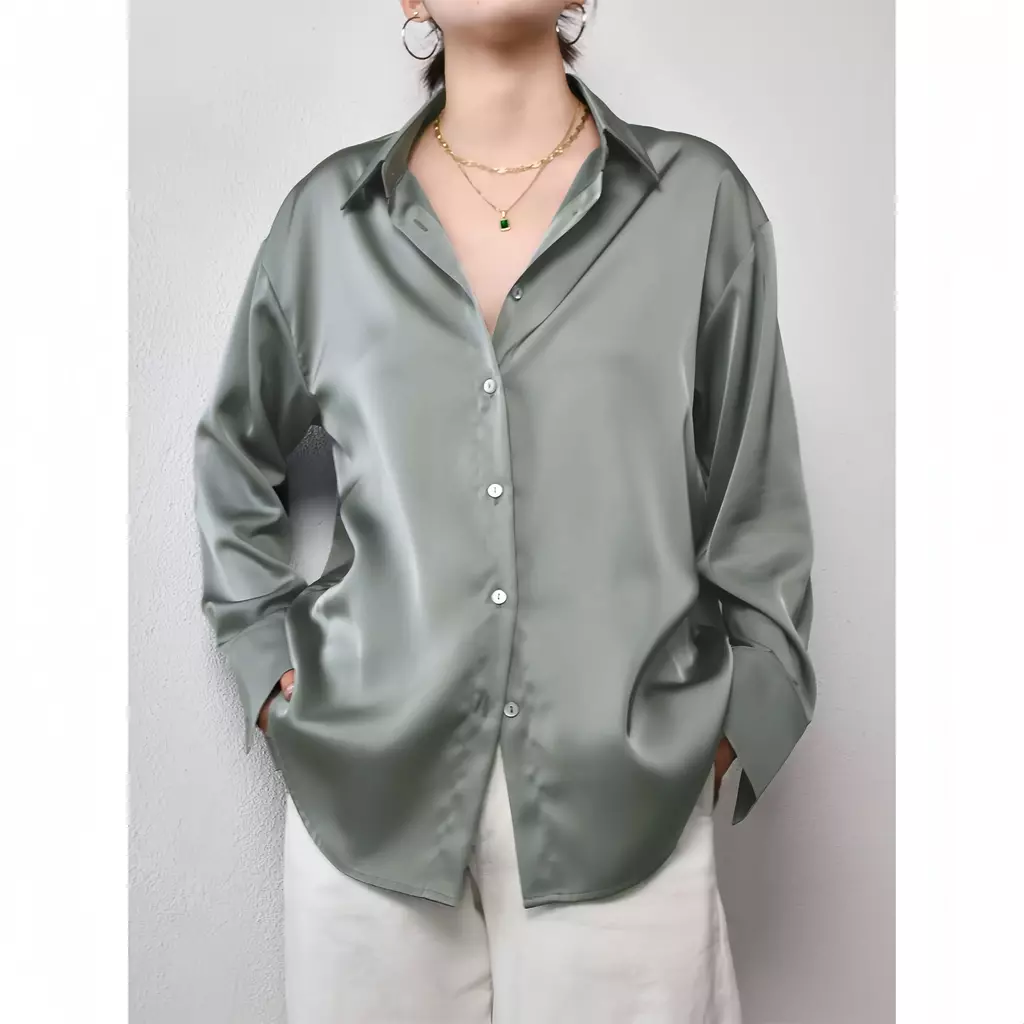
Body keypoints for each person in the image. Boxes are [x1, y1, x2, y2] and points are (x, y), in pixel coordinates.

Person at [191, 1, 817, 1021]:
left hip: (627, 803)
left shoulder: (700, 204)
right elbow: (233, 453)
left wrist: (738, 720)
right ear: (409, 1)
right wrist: (268, 670)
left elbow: (759, 495)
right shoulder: (326, 222)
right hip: (368, 804)